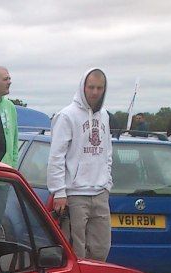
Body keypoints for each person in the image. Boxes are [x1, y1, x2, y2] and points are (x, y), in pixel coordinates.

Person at [46, 68, 113, 262]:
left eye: (99, 88)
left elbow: (107, 152)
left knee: (101, 249)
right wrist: (59, 192)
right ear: (83, 86)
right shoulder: (67, 116)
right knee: (76, 252)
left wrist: (107, 183)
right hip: (75, 194)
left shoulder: (105, 116)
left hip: (100, 191)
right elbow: (56, 156)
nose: (94, 92)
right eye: (91, 87)